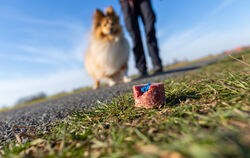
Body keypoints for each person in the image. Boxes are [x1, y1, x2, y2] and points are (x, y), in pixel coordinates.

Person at [119, 0, 163, 77]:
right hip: (126, 3)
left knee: (150, 28)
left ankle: (157, 63)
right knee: (134, 36)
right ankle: (141, 68)